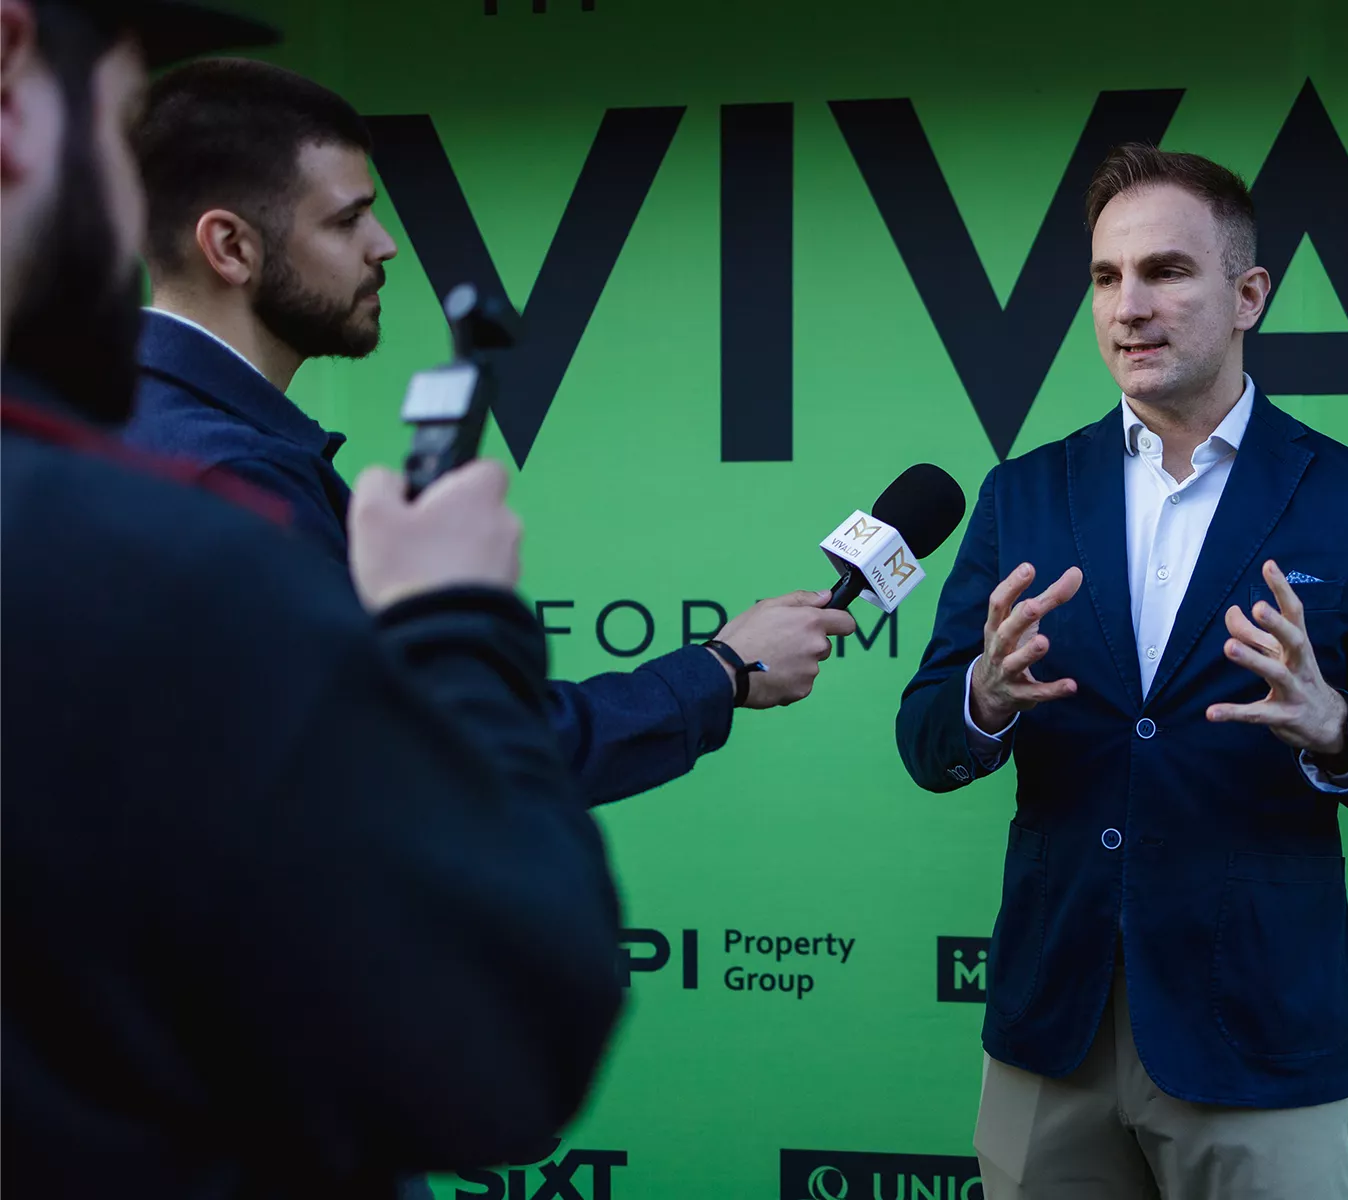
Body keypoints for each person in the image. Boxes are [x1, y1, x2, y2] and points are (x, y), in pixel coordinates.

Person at [2, 2, 630, 1194]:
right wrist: (454, 626)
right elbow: (493, 1036)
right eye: (113, 117)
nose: (386, 246)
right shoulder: (196, 526)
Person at [897, 144, 1348, 1198]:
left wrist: (1339, 729)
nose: (1129, 307)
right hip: (1050, 1028)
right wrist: (981, 701)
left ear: (1248, 295)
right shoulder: (1022, 494)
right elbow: (926, 739)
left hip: (1256, 1033)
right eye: (1106, 277)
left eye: (1166, 272)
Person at [121, 57, 855, 808]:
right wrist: (724, 670)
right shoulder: (229, 478)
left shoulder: (127, 430)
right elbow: (440, 758)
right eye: (346, 220)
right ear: (231, 247)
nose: (385, 244)